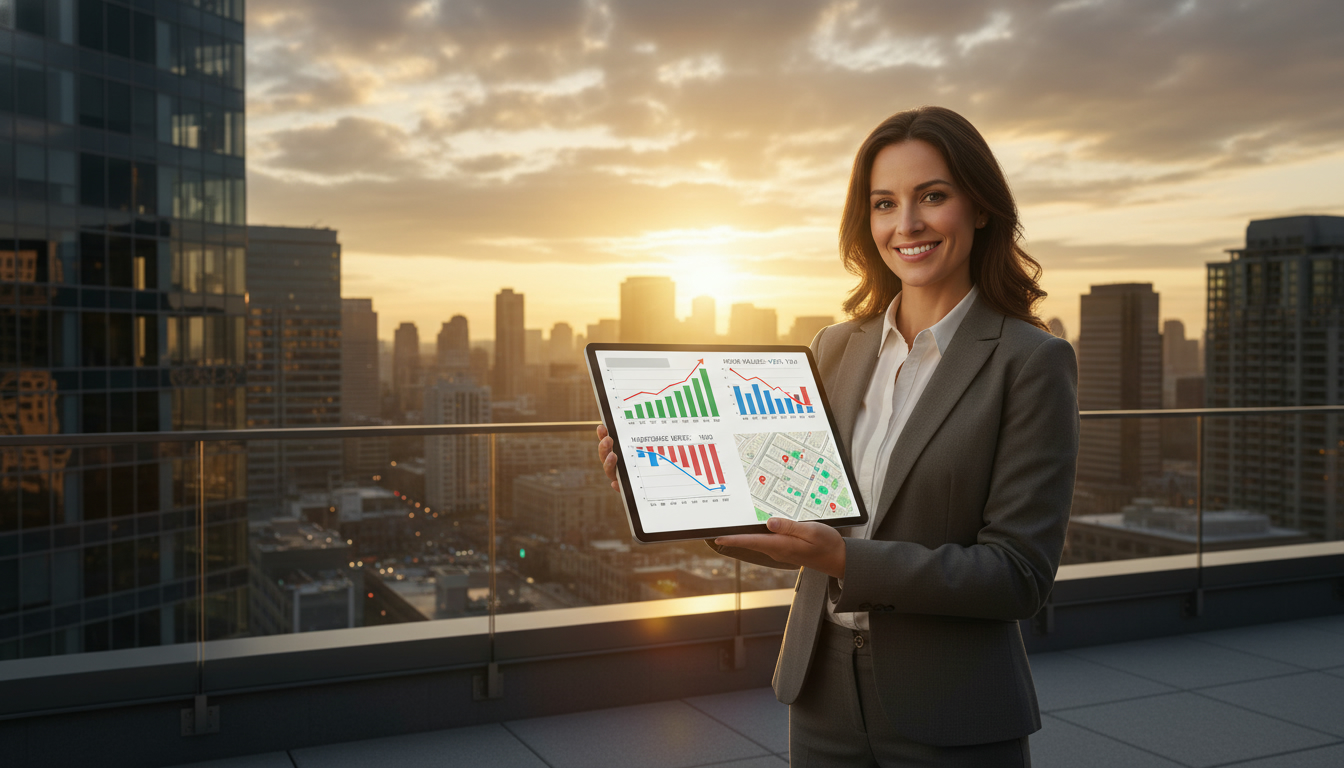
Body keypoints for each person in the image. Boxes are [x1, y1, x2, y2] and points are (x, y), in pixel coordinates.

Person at [596, 105, 1078, 767]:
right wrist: (666, 481)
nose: (905, 224)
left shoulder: (1030, 360)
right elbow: (793, 524)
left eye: (932, 197)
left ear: (982, 207)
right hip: (820, 691)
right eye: (884, 203)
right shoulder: (835, 349)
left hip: (953, 706)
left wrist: (846, 561)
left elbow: (1018, 576)